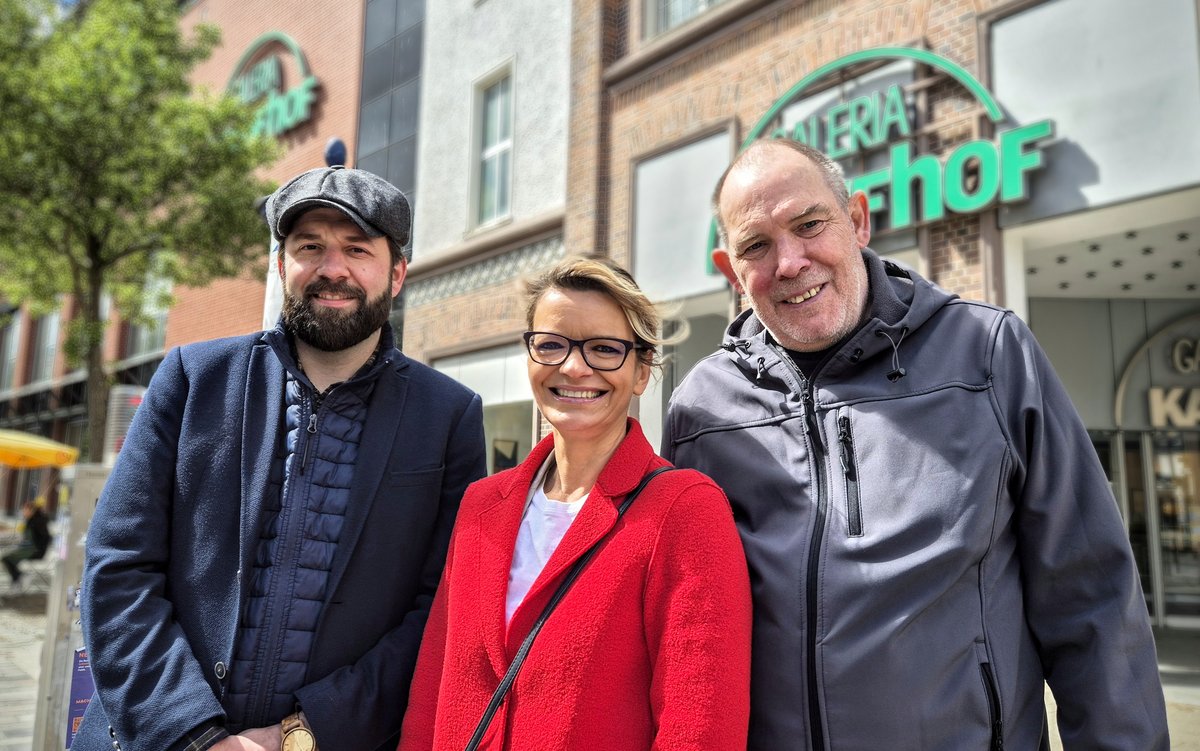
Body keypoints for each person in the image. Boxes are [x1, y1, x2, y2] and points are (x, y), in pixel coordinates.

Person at [662, 139, 1170, 750]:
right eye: (757, 246)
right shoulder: (701, 412)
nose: (790, 262)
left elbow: (1093, 599)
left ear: (857, 220)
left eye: (809, 224)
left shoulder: (989, 355)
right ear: (731, 271)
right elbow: (682, 635)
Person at [78, 166, 487, 751]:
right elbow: (119, 567)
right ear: (280, 265)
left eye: (356, 249)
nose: (332, 268)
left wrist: (299, 735)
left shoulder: (448, 415)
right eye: (310, 247)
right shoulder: (193, 380)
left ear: (397, 274)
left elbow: (442, 610)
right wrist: (192, 733)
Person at [398, 257, 751, 750]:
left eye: (605, 348)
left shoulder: (684, 509)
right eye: (551, 345)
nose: (573, 366)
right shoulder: (482, 505)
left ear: (643, 370)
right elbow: (432, 688)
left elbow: (701, 728)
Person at [2, 500, 51, 588]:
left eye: (25, 510)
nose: (23, 512)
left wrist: (39, 547)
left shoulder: (37, 522)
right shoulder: (30, 521)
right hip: (28, 549)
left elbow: (45, 538)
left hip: (35, 551)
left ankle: (18, 578)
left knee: (7, 559)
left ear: (31, 510)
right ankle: (18, 578)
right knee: (7, 558)